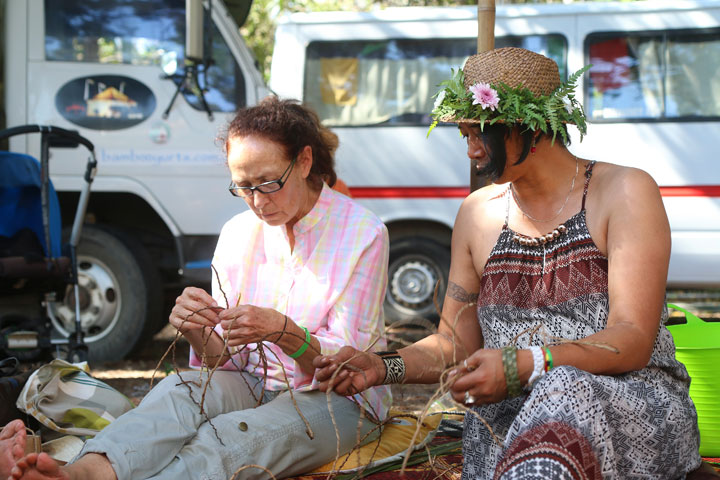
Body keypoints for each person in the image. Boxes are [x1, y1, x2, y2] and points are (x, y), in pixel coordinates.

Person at [314, 47, 702, 479]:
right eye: (465, 136)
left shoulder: (623, 191)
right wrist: (383, 366)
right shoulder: (477, 213)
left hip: (630, 410)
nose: (472, 152)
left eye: (480, 134)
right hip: (509, 425)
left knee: (564, 384)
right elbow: (454, 346)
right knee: (552, 395)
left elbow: (631, 338)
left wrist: (530, 363)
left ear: (531, 128)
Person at [2, 96, 392, 480]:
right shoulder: (239, 233)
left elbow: (346, 370)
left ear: (304, 161)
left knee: (227, 438)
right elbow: (221, 362)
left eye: (269, 182)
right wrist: (194, 328)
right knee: (178, 391)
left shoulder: (363, 234)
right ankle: (81, 474)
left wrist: (284, 332)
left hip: (338, 399)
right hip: (252, 382)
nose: (257, 201)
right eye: (243, 186)